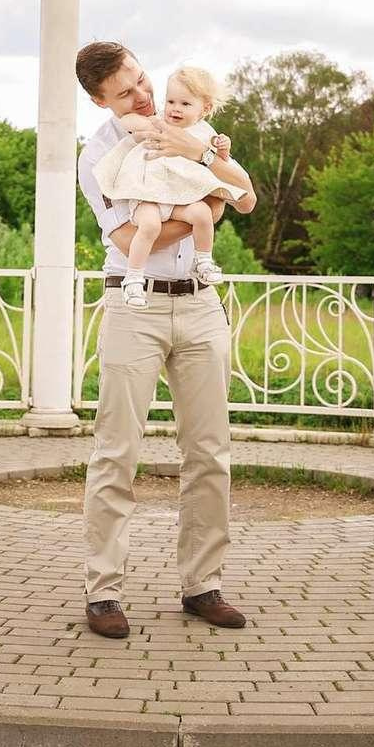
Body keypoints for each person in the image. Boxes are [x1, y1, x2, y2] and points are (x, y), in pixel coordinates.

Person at [73, 41, 257, 640]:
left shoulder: (190, 121)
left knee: (209, 451)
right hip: (135, 304)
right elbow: (129, 240)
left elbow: (241, 196)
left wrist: (207, 172)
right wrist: (204, 207)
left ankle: (202, 585)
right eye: (126, 93)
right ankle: (104, 592)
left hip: (200, 304)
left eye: (142, 80)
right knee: (116, 450)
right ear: (101, 101)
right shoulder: (98, 154)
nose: (145, 96)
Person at [91, 65, 246, 307]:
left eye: (185, 104)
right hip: (148, 196)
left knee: (203, 213)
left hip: (178, 201)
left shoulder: (204, 133)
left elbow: (232, 180)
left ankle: (204, 259)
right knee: (150, 225)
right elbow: (128, 120)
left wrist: (220, 149)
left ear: (204, 109)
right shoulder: (158, 121)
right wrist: (143, 125)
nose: (175, 108)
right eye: (171, 101)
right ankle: (133, 278)